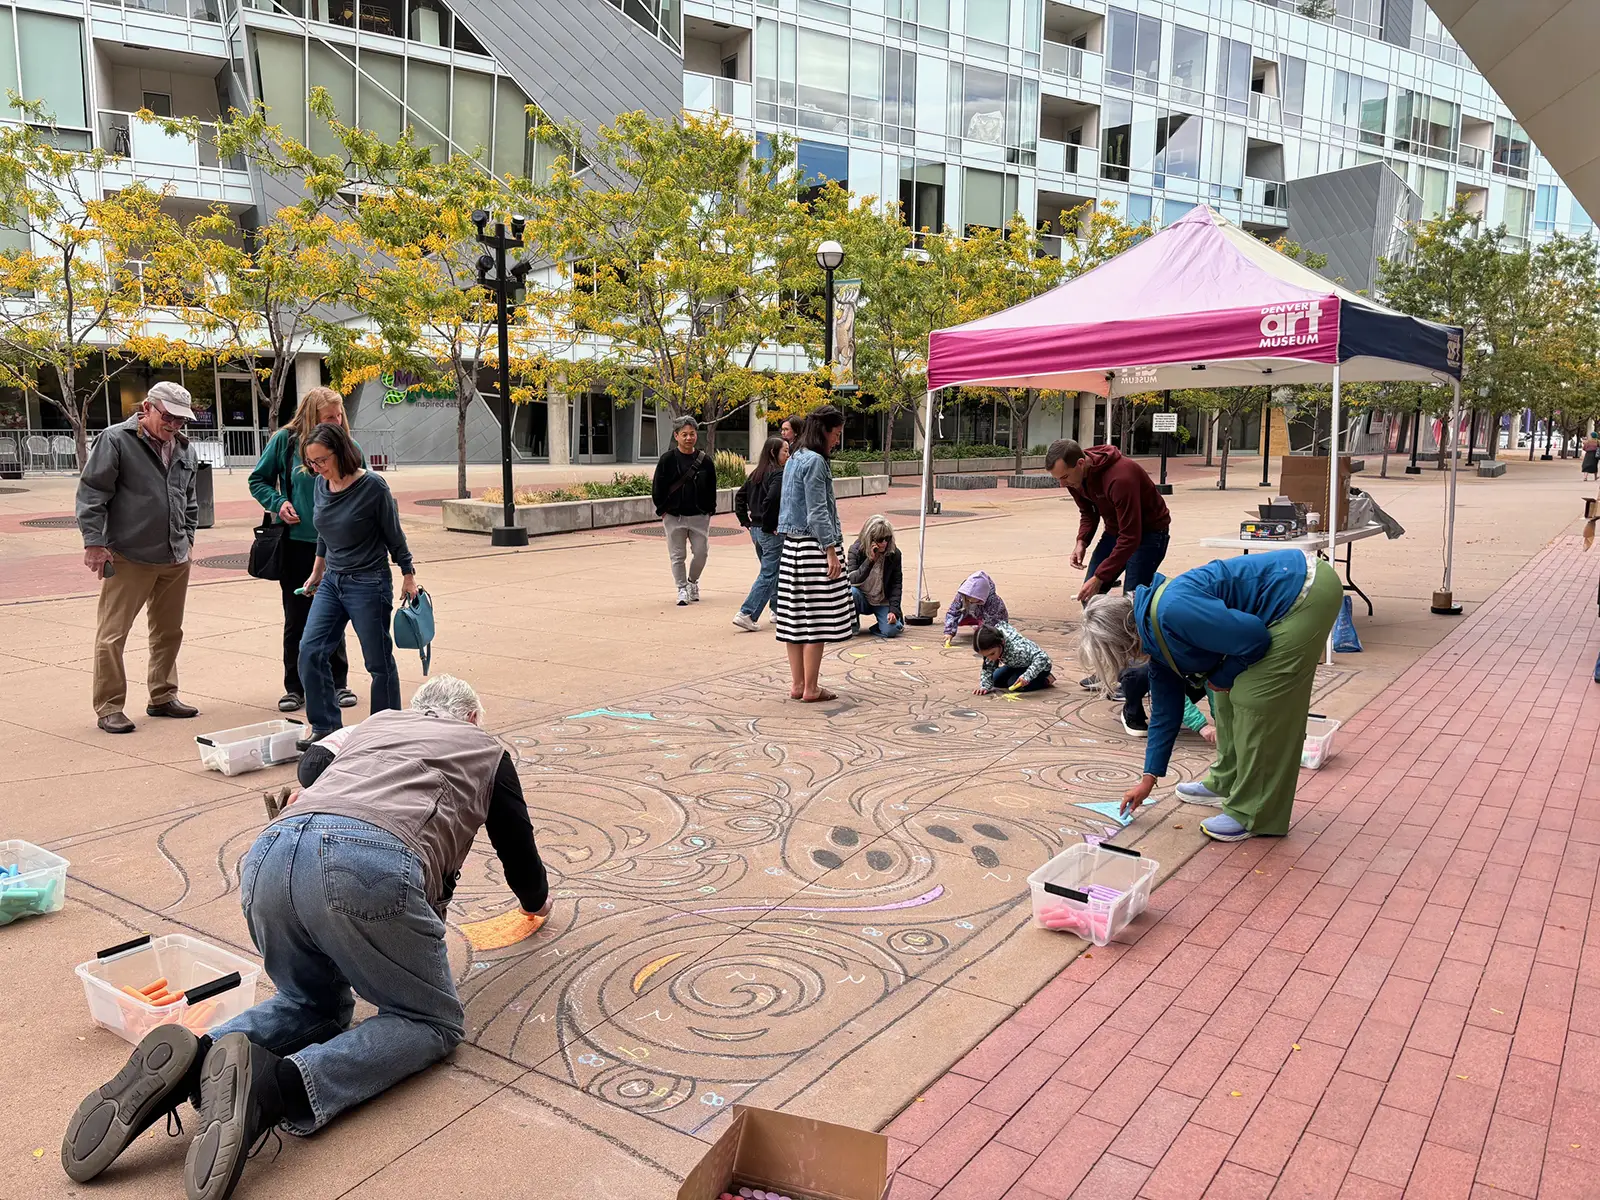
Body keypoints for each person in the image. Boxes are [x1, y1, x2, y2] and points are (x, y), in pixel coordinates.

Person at [60, 676, 550, 1199]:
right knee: (428, 1021)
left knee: (310, 1003)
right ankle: (275, 1089)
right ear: (472, 718)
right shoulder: (483, 748)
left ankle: (196, 1061)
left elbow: (313, 763)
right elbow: (514, 840)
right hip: (369, 858)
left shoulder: (379, 723)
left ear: (418, 710)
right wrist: (535, 902)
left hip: (270, 853)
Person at [1077, 548, 1341, 843]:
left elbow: (1255, 637)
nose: (1125, 662)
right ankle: (1226, 780)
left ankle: (1254, 814)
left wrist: (1221, 677)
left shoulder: (1171, 612)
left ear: (1125, 638)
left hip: (1305, 593)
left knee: (1254, 698)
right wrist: (1148, 780)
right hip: (1286, 592)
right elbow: (1165, 713)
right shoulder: (1153, 636)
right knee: (1225, 697)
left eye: (1117, 654)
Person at [75, 382, 202, 735]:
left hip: (174, 556)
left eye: (181, 420)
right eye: (169, 417)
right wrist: (94, 543)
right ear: (147, 407)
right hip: (128, 554)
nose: (175, 425)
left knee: (168, 632)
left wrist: (188, 539)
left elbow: (189, 499)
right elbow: (92, 493)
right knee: (113, 635)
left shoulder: (183, 448)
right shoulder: (115, 440)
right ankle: (109, 706)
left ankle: (162, 695)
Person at [296, 423, 417, 750]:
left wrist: (408, 573)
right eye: (312, 462)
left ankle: (385, 732)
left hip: (368, 581)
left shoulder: (372, 487)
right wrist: (317, 571)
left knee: (378, 662)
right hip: (332, 581)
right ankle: (325, 729)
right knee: (310, 651)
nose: (317, 468)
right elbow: (324, 531)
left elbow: (394, 533)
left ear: (341, 452)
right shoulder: (321, 484)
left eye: (321, 460)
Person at [249, 386, 360, 714]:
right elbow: (259, 480)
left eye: (340, 415)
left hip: (339, 546)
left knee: (335, 615)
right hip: (298, 544)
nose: (337, 421)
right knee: (296, 617)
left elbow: (362, 484)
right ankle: (295, 686)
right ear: (312, 416)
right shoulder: (285, 441)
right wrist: (279, 502)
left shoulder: (346, 445)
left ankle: (337, 682)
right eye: (329, 417)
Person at [1047, 439, 1172, 688]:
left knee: (1131, 607)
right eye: (1058, 479)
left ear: (1081, 463)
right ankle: (1108, 668)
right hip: (1117, 531)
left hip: (1149, 534)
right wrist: (1081, 541)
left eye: (1065, 477)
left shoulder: (1120, 477)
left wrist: (1101, 576)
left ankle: (1131, 676)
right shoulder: (1075, 477)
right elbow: (1089, 512)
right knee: (1089, 599)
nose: (1062, 484)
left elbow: (1132, 537)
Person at [775, 404, 855, 701]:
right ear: (824, 430)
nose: (837, 440)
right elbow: (818, 511)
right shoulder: (817, 462)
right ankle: (811, 687)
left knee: (794, 619)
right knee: (816, 621)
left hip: (792, 548)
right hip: (813, 547)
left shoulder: (794, 457)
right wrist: (831, 550)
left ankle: (797, 684)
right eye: (836, 434)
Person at [651, 415, 717, 606]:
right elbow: (658, 487)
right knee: (677, 556)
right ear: (676, 436)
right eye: (684, 434)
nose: (689, 438)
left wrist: (709, 510)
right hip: (674, 516)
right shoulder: (667, 460)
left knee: (701, 553)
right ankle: (681, 588)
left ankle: (692, 582)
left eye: (692, 434)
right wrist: (663, 509)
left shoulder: (705, 461)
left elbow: (712, 487)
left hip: (699, 516)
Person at [733, 435, 788, 631]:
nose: (787, 455)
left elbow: (740, 496)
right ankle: (747, 612)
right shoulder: (777, 474)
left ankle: (777, 609)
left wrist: (746, 521)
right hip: (769, 530)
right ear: (774, 452)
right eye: (785, 451)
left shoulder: (756, 473)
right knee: (769, 573)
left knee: (772, 571)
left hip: (756, 530)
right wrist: (768, 524)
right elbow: (772, 500)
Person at [1118, 665, 1217, 744]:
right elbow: (1170, 689)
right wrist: (1201, 726)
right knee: (1138, 675)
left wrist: (1221, 720)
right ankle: (1132, 712)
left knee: (1208, 678)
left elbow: (1214, 685)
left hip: (1184, 666)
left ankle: (1162, 704)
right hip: (1149, 662)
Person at [845, 514, 904, 638]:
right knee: (851, 591)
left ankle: (885, 624)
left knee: (892, 631)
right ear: (869, 538)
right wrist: (870, 561)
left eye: (887, 539)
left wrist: (893, 610)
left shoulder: (894, 554)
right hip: (862, 597)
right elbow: (852, 579)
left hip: (882, 600)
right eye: (879, 539)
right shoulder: (855, 550)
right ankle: (853, 625)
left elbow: (896, 584)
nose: (883, 543)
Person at [973, 622, 1055, 694]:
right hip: (1016, 664)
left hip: (1039, 667)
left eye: (992, 654)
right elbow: (988, 668)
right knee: (995, 680)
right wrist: (984, 686)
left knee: (1015, 684)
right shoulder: (994, 647)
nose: (990, 658)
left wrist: (1027, 676)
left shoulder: (1018, 648)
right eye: (985, 656)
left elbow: (1042, 657)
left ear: (1002, 643)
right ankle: (1018, 675)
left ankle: (1046, 679)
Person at [942, 572, 1008, 645]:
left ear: (981, 596)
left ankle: (980, 626)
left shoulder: (993, 602)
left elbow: (994, 622)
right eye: (967, 599)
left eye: (973, 600)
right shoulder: (962, 595)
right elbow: (953, 612)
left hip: (987, 618)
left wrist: (986, 637)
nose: (969, 601)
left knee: (986, 633)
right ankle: (977, 624)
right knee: (957, 618)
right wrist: (949, 632)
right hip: (971, 615)